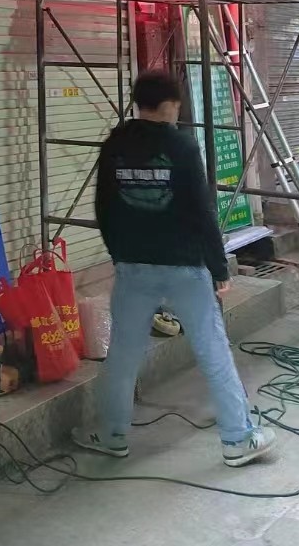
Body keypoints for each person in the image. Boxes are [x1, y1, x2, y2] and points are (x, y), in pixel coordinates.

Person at [74, 70, 275, 468]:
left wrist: (120, 254)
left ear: (139, 103)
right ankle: (238, 439)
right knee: (212, 349)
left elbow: (103, 207)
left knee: (123, 355)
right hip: (184, 266)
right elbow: (202, 209)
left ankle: (113, 435)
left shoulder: (115, 144)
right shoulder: (181, 145)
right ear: (171, 105)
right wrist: (219, 268)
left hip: (134, 267)